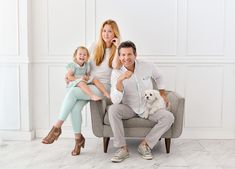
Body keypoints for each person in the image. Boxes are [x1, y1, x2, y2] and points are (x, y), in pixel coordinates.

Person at [42, 19, 121, 156]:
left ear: (115, 33)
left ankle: (56, 127)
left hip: (104, 86)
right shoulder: (94, 46)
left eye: (109, 31)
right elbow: (82, 62)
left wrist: (118, 45)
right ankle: (78, 139)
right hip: (89, 83)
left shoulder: (116, 50)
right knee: (75, 108)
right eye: (104, 31)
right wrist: (72, 74)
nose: (106, 34)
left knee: (72, 92)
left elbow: (116, 66)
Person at [109, 41, 174, 163]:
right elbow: (115, 101)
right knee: (113, 110)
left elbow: (159, 76)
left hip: (148, 107)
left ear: (135, 55)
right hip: (128, 107)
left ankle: (145, 145)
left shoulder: (147, 65)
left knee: (168, 117)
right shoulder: (116, 72)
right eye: (123, 55)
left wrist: (163, 92)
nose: (126, 58)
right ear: (119, 56)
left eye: (129, 54)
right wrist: (120, 81)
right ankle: (122, 148)